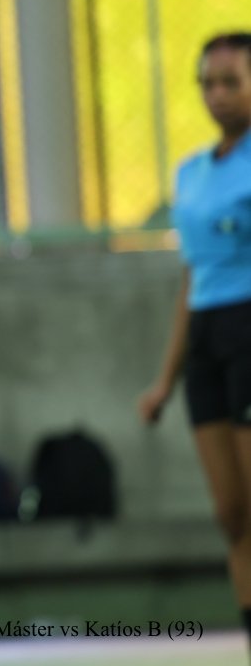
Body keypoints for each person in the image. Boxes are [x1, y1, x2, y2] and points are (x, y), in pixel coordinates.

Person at [139, 32, 251, 654]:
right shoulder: (190, 172)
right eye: (208, 83)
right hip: (208, 339)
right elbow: (192, 277)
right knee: (232, 514)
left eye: (232, 81)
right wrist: (165, 379)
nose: (218, 95)